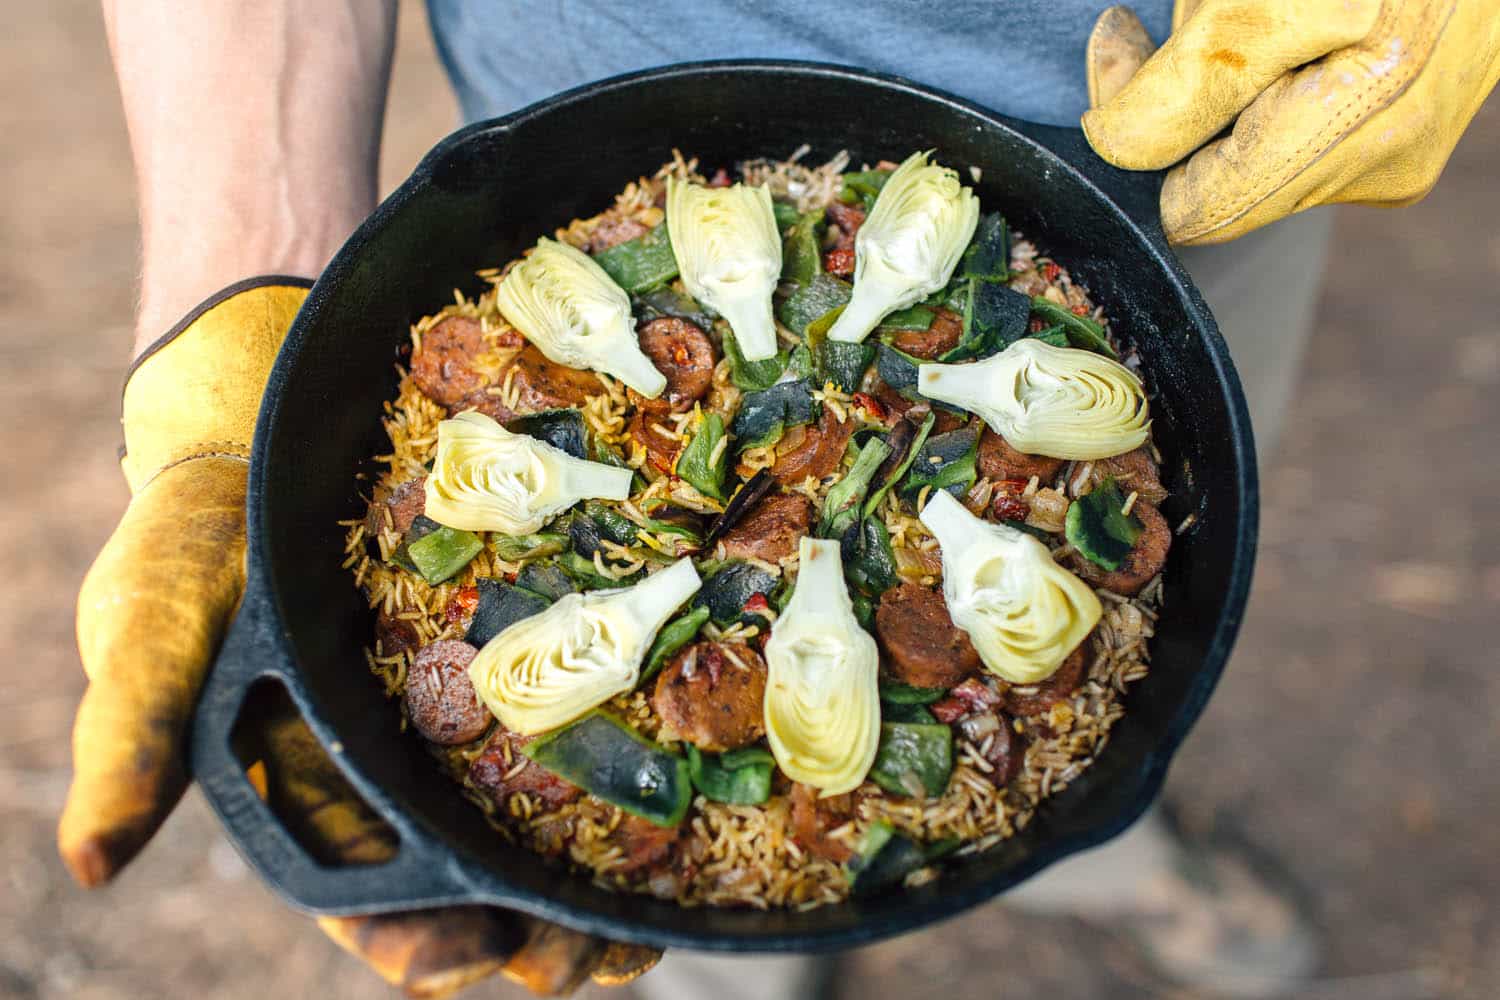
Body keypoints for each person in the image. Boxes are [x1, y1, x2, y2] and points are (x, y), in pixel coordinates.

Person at [65, 0, 1498, 997]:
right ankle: (738, 967)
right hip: (598, 56)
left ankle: (1102, 854)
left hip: (1216, 133)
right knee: (712, 901)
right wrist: (248, 270)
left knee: (1101, 695)